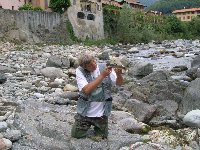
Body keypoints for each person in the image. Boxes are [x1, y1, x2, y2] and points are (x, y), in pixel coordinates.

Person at [71, 52, 123, 140]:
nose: (94, 65)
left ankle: (98, 127)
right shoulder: (80, 71)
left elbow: (119, 84)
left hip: (102, 113)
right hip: (85, 112)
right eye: (90, 65)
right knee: (76, 135)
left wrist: (119, 75)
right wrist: (102, 75)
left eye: (94, 62)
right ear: (85, 67)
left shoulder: (105, 67)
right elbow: (87, 90)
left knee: (102, 137)